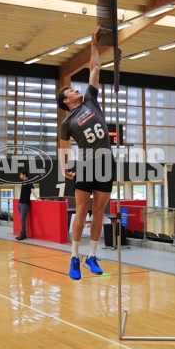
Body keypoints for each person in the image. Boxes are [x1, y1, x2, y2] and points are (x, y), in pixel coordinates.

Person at [56, 26, 114, 280]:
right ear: (66, 101)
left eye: (74, 88)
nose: (75, 90)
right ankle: (74, 258)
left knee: (100, 212)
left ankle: (92, 256)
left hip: (106, 163)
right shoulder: (67, 122)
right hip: (87, 165)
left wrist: (94, 44)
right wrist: (64, 168)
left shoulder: (91, 99)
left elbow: (95, 69)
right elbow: (64, 148)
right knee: (82, 211)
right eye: (70, 90)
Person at [16, 170, 41, 241]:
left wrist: (37, 198)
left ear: (24, 175)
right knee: (22, 220)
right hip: (20, 203)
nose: (19, 176)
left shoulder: (29, 182)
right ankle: (23, 234)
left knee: (22, 219)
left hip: (25, 204)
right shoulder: (23, 182)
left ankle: (22, 234)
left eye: (20, 174)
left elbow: (32, 190)